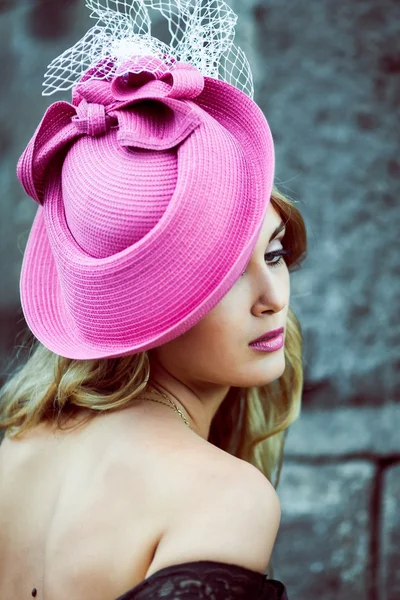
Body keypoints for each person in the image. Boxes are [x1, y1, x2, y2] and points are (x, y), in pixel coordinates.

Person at [0, 1, 307, 598]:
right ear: (139, 303)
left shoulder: (14, 454)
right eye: (219, 276)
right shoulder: (223, 498)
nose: (273, 299)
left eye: (272, 254)